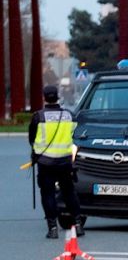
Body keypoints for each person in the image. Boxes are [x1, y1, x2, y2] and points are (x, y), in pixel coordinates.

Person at [29, 85, 83, 239]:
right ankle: (78, 225)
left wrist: (35, 154)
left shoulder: (38, 117)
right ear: (58, 97)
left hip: (45, 163)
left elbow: (32, 140)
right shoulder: (69, 115)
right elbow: (74, 134)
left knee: (48, 194)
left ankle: (52, 228)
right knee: (69, 192)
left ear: (44, 97)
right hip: (65, 162)